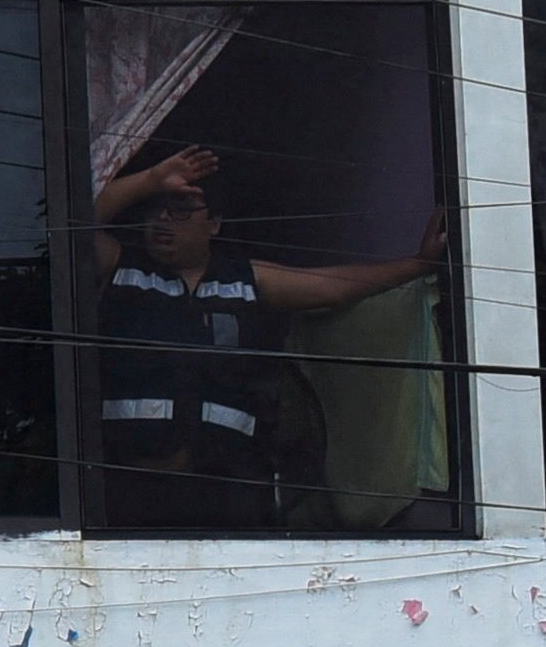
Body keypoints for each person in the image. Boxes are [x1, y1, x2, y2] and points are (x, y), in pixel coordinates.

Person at [85, 148, 444, 529]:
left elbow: (334, 287)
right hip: (131, 489)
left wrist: (418, 265)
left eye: (181, 210)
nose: (162, 220)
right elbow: (75, 220)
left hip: (228, 494)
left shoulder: (244, 280)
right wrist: (148, 180)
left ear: (214, 224)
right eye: (154, 209)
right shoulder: (121, 268)